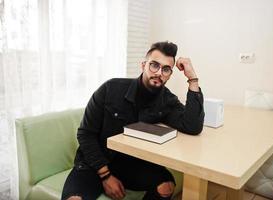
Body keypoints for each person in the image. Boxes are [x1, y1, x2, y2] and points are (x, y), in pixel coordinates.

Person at [62, 41, 205, 200]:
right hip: (93, 163)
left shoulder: (167, 100)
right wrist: (105, 176)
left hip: (130, 165)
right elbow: (85, 134)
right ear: (143, 65)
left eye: (166, 69)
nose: (159, 72)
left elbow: (192, 126)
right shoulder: (110, 89)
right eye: (154, 65)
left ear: (170, 74)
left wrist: (192, 78)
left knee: (166, 186)